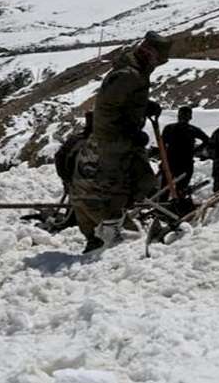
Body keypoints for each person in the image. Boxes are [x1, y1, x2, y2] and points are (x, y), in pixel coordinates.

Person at [71, 32, 171, 252]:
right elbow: (107, 109)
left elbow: (125, 101)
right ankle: (106, 232)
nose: (159, 64)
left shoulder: (137, 71)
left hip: (123, 138)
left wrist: (145, 105)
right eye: (159, 59)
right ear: (150, 53)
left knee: (143, 180)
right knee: (117, 185)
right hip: (113, 140)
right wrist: (128, 133)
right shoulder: (128, 74)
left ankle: (113, 223)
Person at [160, 106, 209, 197]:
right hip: (174, 163)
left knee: (175, 190)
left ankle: (173, 208)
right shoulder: (171, 128)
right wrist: (195, 151)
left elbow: (207, 140)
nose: (183, 118)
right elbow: (161, 144)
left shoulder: (171, 128)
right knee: (167, 190)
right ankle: (167, 208)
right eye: (183, 115)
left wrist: (195, 151)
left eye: (185, 116)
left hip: (180, 163)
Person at [54, 111, 94, 193]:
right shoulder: (115, 142)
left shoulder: (75, 140)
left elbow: (60, 158)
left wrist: (67, 182)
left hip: (78, 192)